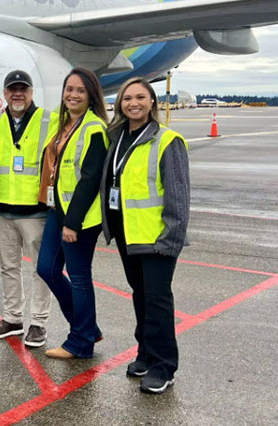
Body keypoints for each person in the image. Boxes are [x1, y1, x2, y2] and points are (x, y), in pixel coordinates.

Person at [101, 77, 190, 394]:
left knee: (158, 301)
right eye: (127, 98)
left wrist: (172, 240)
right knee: (141, 297)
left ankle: (164, 365)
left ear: (152, 102)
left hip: (157, 239)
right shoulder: (118, 137)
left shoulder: (167, 141)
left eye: (140, 97)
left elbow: (178, 196)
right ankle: (146, 353)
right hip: (128, 235)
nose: (133, 103)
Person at [36, 67, 109, 359]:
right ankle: (87, 327)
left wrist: (73, 223)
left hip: (80, 218)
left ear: (91, 95)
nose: (73, 95)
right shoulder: (64, 123)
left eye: (80, 90)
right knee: (47, 269)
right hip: (59, 209)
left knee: (79, 277)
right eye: (69, 89)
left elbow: (90, 180)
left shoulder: (94, 128)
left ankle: (81, 342)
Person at [0, 70, 52, 348]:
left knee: (40, 268)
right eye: (12, 89)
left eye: (23, 89)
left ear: (32, 92)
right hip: (2, 209)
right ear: (5, 94)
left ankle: (38, 322)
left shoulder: (50, 119)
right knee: (8, 266)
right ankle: (12, 318)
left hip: (35, 210)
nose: (18, 94)